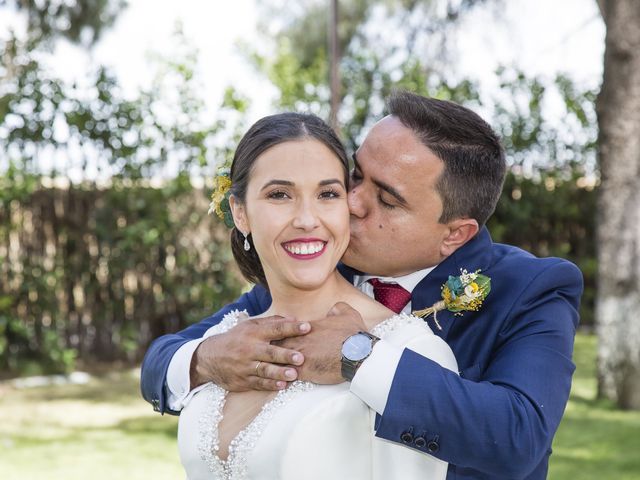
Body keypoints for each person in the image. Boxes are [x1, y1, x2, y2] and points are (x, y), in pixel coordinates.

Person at [141, 92, 583, 480]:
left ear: (455, 234)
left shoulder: (530, 289)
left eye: (386, 199)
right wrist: (206, 357)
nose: (351, 203)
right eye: (355, 176)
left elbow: (517, 436)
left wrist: (359, 357)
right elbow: (162, 362)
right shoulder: (319, 269)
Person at [174, 111, 458, 479]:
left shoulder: (407, 351)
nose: (307, 219)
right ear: (240, 212)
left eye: (327, 194)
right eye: (279, 195)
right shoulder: (221, 342)